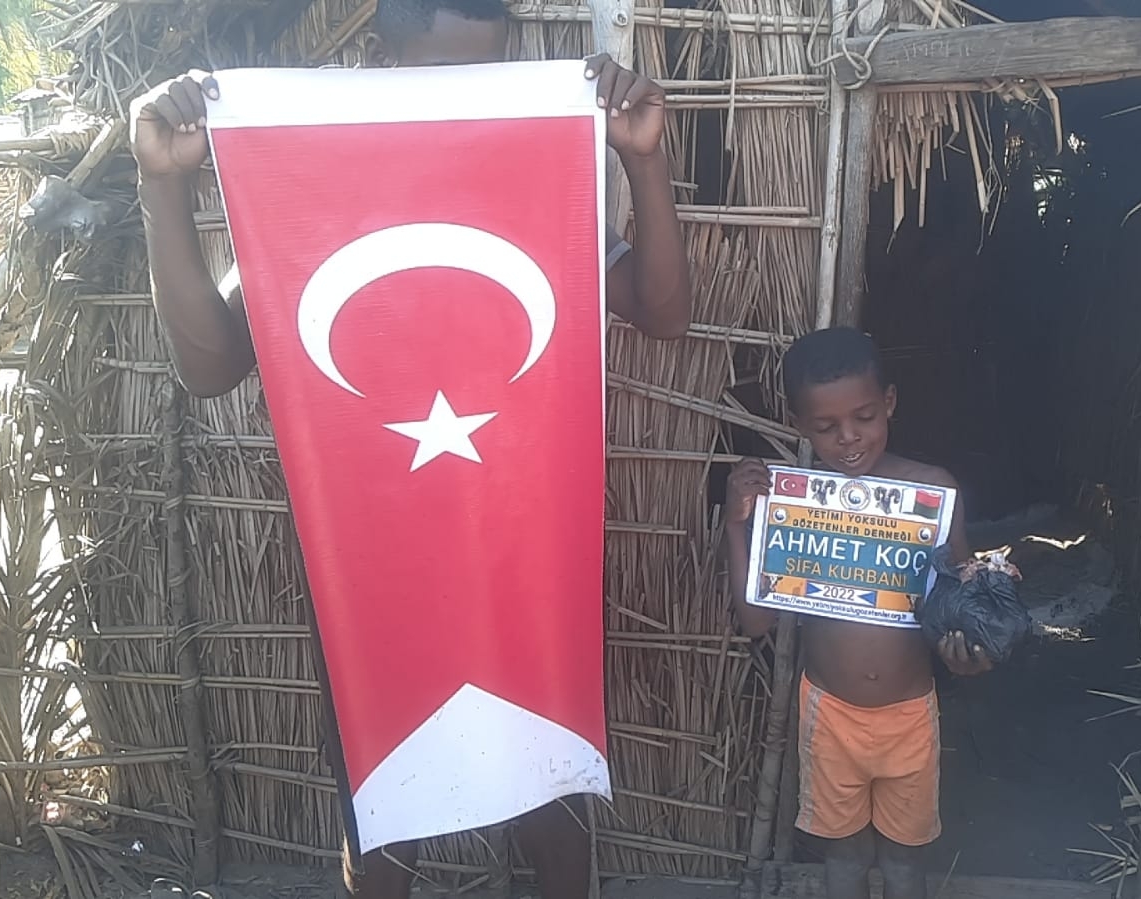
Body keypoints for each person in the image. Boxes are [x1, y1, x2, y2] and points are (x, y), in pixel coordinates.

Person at [127, 0, 694, 895]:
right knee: (384, 807)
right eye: (442, 74)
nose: (462, 96)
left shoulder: (529, 181)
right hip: (368, 571)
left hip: (522, 555)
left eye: (485, 72)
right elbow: (207, 368)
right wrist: (162, 185)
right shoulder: (315, 191)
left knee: (550, 793)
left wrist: (643, 158)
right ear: (380, 58)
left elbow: (663, 312)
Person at [723, 327, 992, 899]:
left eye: (864, 417)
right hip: (829, 715)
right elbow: (755, 623)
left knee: (905, 866)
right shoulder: (792, 504)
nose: (847, 437)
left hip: (910, 715)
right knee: (843, 861)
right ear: (799, 424)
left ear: (889, 402)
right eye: (825, 427)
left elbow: (962, 613)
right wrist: (736, 524)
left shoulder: (932, 494)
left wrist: (968, 656)